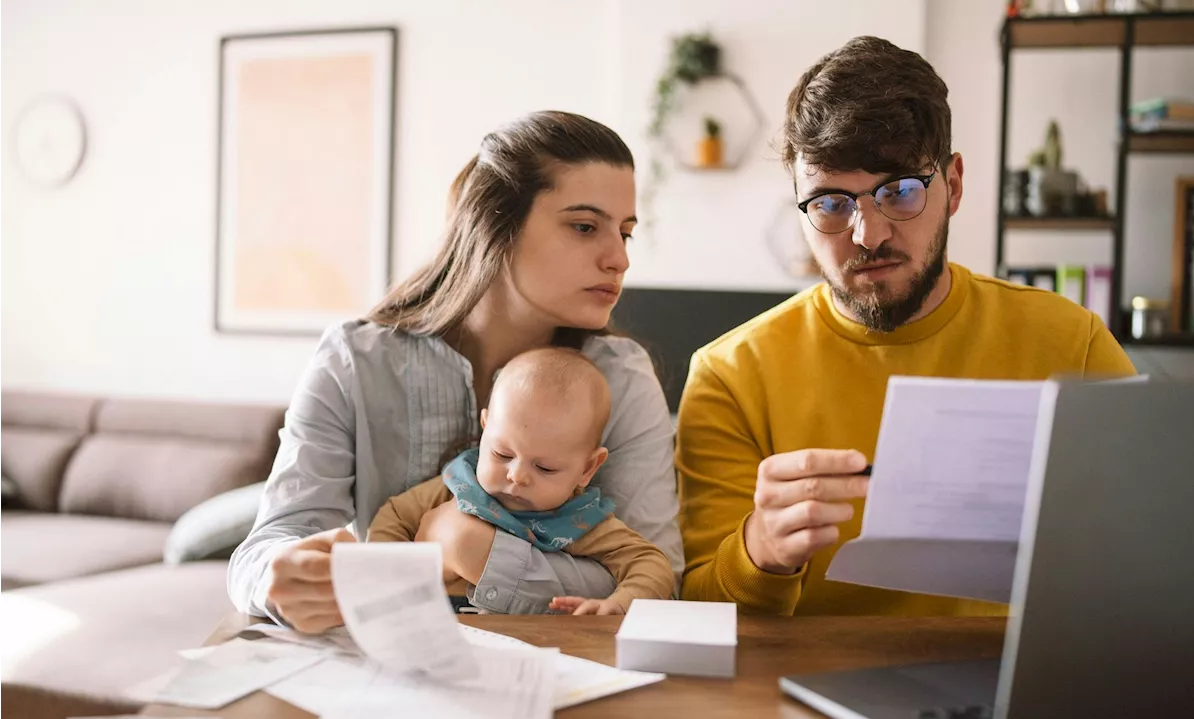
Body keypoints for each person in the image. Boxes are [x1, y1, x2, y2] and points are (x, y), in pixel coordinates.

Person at [676, 37, 1135, 616]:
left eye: (899, 192)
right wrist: (760, 552)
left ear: (956, 186)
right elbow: (697, 616)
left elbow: (1152, 555)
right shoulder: (729, 376)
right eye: (830, 203)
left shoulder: (1074, 344)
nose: (868, 235)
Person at [228, 111, 683, 633]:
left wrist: (470, 549)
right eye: (585, 227)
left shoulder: (621, 378)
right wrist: (279, 579)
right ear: (495, 226)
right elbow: (264, 549)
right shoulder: (355, 361)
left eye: (625, 232)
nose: (619, 259)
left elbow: (659, 578)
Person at [368, 347, 675, 616]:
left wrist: (621, 603)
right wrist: (387, 582)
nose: (517, 475)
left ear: (587, 468)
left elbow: (651, 564)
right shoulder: (459, 484)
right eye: (502, 454)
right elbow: (394, 517)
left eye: (545, 468)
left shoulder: (579, 520)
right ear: (485, 429)